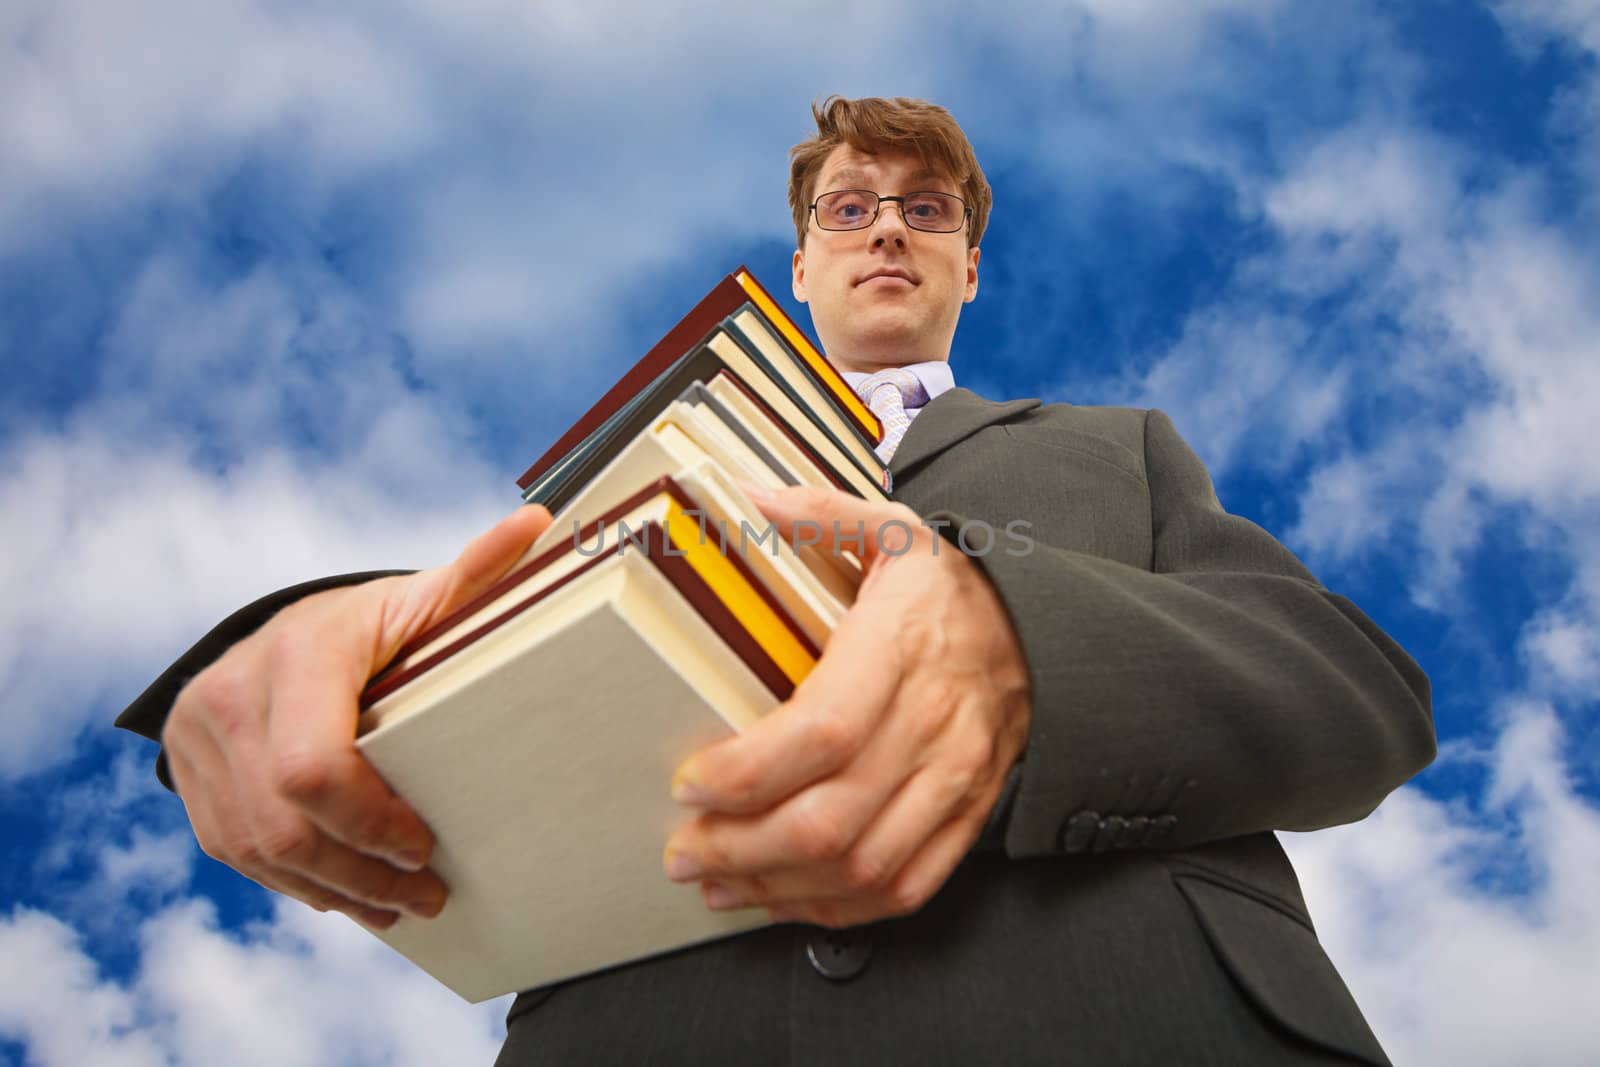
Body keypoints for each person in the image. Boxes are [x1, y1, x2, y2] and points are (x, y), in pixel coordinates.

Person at [116, 96, 1435, 1065]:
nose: (889, 234)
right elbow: (501, 633)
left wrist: (1022, 647)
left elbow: (1355, 692)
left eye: (929, 211)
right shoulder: (644, 458)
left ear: (969, 264)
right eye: (847, 210)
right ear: (801, 266)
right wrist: (312, 643)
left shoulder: (1119, 449)